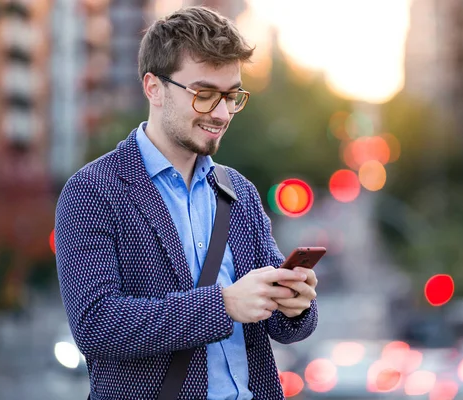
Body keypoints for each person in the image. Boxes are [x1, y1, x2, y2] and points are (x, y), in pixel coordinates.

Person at [55, 6, 318, 400]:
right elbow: (97, 325)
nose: (222, 113)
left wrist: (294, 304)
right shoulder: (93, 191)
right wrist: (223, 304)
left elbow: (282, 328)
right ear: (153, 87)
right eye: (204, 95)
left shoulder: (239, 192)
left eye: (232, 96)